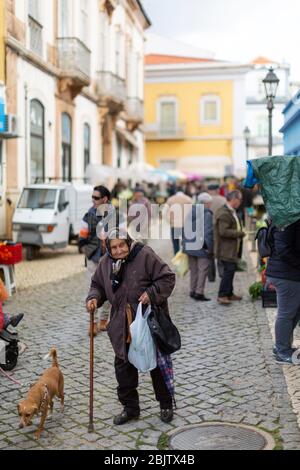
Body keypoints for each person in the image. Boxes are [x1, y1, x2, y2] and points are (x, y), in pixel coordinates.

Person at [86, 228, 176, 425]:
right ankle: (130, 408)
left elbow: (167, 277)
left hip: (147, 319)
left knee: (156, 364)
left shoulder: (144, 254)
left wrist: (151, 293)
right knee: (123, 366)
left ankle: (166, 404)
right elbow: (98, 286)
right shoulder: (106, 263)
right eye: (114, 247)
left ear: (128, 242)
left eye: (121, 245)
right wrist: (93, 298)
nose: (118, 250)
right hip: (121, 323)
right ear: (109, 249)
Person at [79, 185, 114, 336]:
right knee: (91, 290)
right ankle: (92, 323)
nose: (93, 200)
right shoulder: (89, 214)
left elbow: (123, 234)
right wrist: (85, 249)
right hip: (93, 256)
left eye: (96, 197)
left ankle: (103, 320)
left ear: (105, 199)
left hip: (110, 258)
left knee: (108, 288)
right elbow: (82, 235)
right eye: (92, 197)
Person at [266, 218, 300, 365]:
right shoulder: (285, 220)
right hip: (286, 274)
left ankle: (283, 345)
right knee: (286, 314)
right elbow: (283, 249)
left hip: (289, 273)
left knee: (293, 312)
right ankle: (282, 351)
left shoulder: (288, 218)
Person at [214, 190, 245, 305]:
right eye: (240, 199)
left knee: (231, 271)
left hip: (231, 249)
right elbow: (223, 231)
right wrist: (239, 233)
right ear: (234, 199)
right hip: (225, 249)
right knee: (228, 271)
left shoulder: (231, 211)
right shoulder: (224, 212)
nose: (241, 202)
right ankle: (222, 295)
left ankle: (229, 293)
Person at [182, 193, 214, 301]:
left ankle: (192, 290)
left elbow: (184, 229)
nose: (210, 205)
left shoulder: (191, 211)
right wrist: (208, 247)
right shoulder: (207, 214)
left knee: (194, 270)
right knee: (203, 269)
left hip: (190, 245)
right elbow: (208, 232)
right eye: (209, 203)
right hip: (201, 245)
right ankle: (199, 292)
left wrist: (185, 244)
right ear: (205, 203)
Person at [207, 184, 227, 282]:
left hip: (208, 228)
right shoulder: (223, 200)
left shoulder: (205, 200)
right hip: (220, 227)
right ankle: (222, 273)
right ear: (217, 190)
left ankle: (211, 276)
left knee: (209, 253)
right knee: (220, 251)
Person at [166, 188, 192, 255]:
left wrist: (170, 221)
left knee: (175, 243)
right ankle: (185, 258)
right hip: (185, 225)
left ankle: (176, 257)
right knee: (185, 243)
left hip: (174, 225)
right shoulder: (188, 199)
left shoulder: (170, 200)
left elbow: (166, 212)